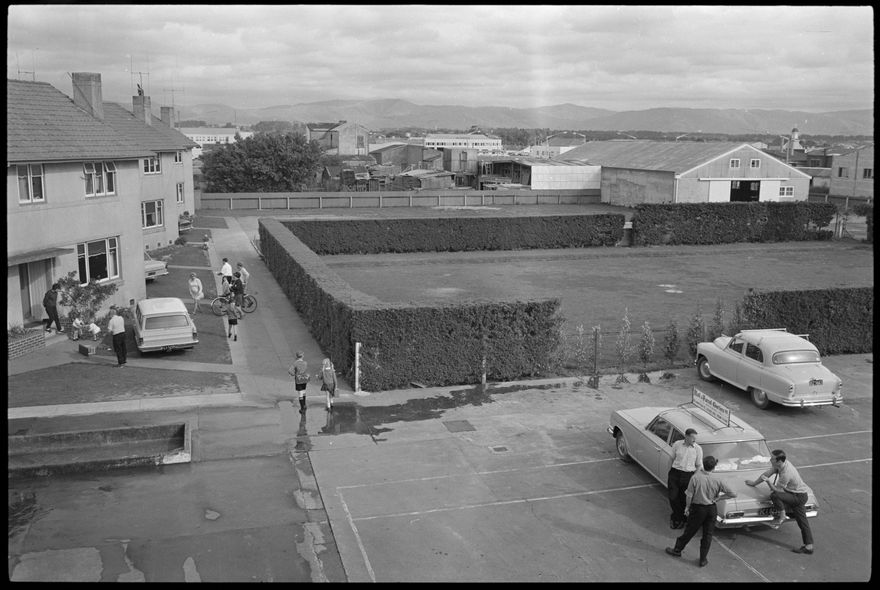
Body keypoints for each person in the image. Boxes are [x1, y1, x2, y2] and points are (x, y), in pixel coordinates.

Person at [665, 455, 737, 567]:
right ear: (714, 467)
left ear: (703, 464)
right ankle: (703, 559)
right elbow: (733, 494)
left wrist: (687, 507)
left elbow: (689, 495)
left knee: (690, 531)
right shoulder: (718, 479)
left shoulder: (695, 478)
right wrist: (719, 498)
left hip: (698, 509)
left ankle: (677, 550)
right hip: (711, 509)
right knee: (708, 534)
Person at [746, 449, 814, 555]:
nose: (770, 460)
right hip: (795, 494)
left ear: (779, 461)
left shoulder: (786, 473)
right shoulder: (781, 465)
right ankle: (809, 547)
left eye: (772, 458)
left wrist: (768, 482)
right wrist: (754, 483)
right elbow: (767, 474)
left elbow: (777, 490)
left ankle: (782, 515)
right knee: (802, 522)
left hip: (798, 496)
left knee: (774, 496)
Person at [667, 428, 703, 529]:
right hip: (675, 473)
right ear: (686, 436)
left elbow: (699, 465)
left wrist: (694, 478)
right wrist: (669, 473)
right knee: (673, 497)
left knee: (684, 499)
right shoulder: (677, 444)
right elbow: (671, 458)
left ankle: (680, 519)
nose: (694, 440)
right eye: (692, 438)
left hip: (688, 475)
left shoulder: (698, 449)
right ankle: (678, 517)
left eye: (695, 438)